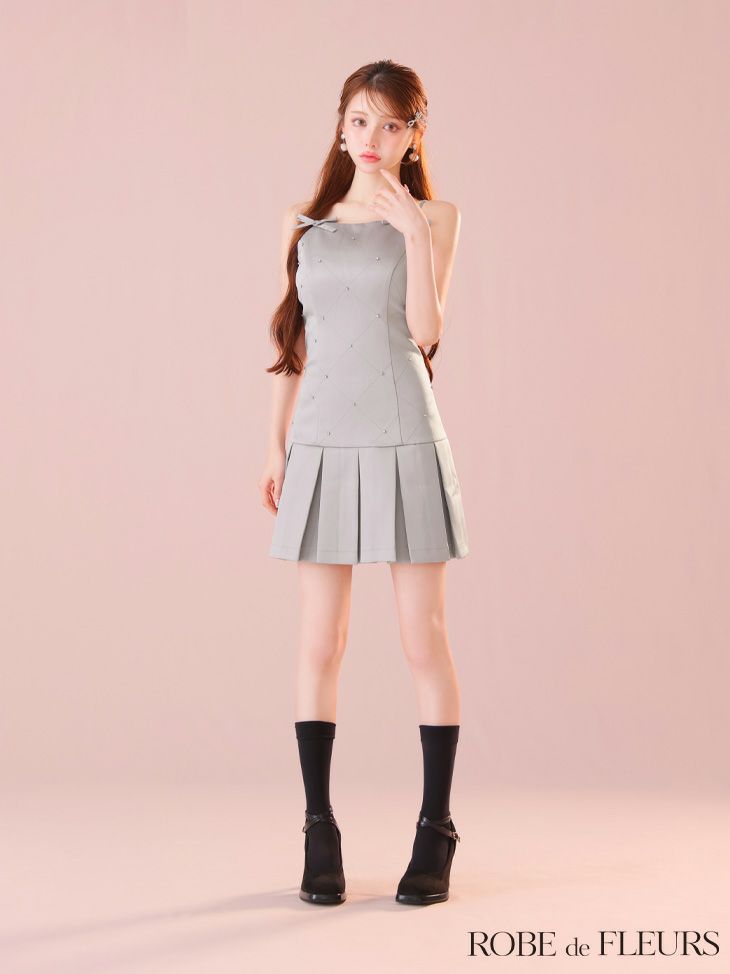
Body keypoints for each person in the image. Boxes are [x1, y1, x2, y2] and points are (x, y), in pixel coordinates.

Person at [258, 59, 469, 906]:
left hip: (404, 434)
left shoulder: (438, 218)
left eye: (389, 124)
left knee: (424, 640)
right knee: (321, 643)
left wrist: (412, 230)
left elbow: (426, 332)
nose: (371, 138)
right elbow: (290, 344)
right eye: (358, 120)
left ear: (415, 134)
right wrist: (274, 447)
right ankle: (319, 830)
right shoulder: (302, 223)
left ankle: (435, 830)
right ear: (340, 126)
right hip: (320, 442)